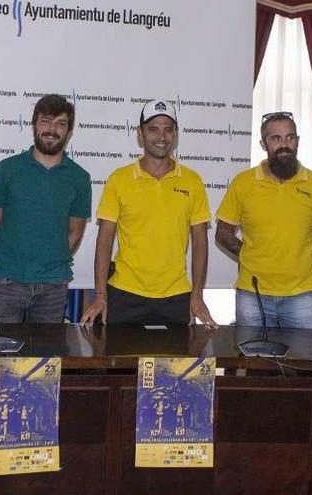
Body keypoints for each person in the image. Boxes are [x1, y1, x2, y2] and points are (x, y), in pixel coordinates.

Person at [80, 99, 216, 328]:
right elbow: (104, 241)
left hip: (177, 296)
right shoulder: (119, 179)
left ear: (176, 134)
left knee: (173, 365)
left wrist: (197, 296)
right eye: (153, 129)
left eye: (168, 129)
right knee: (123, 364)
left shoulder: (193, 182)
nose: (161, 137)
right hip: (125, 294)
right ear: (140, 134)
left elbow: (200, 242)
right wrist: (101, 296)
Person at [215, 111, 312, 329]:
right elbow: (223, 233)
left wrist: (297, 253)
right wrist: (251, 255)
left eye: (290, 137)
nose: (284, 145)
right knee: (254, 361)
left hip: (303, 293)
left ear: (297, 141)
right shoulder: (243, 183)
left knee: (306, 360)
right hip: (253, 293)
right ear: (263, 144)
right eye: (276, 138)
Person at [0, 94, 91, 323]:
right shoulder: (7, 170)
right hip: (5, 283)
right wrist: (12, 263)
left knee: (46, 356)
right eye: (45, 121)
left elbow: (75, 233)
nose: (52, 129)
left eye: (60, 123)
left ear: (69, 131)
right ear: (34, 125)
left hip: (52, 287)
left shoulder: (79, 178)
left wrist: (49, 262)